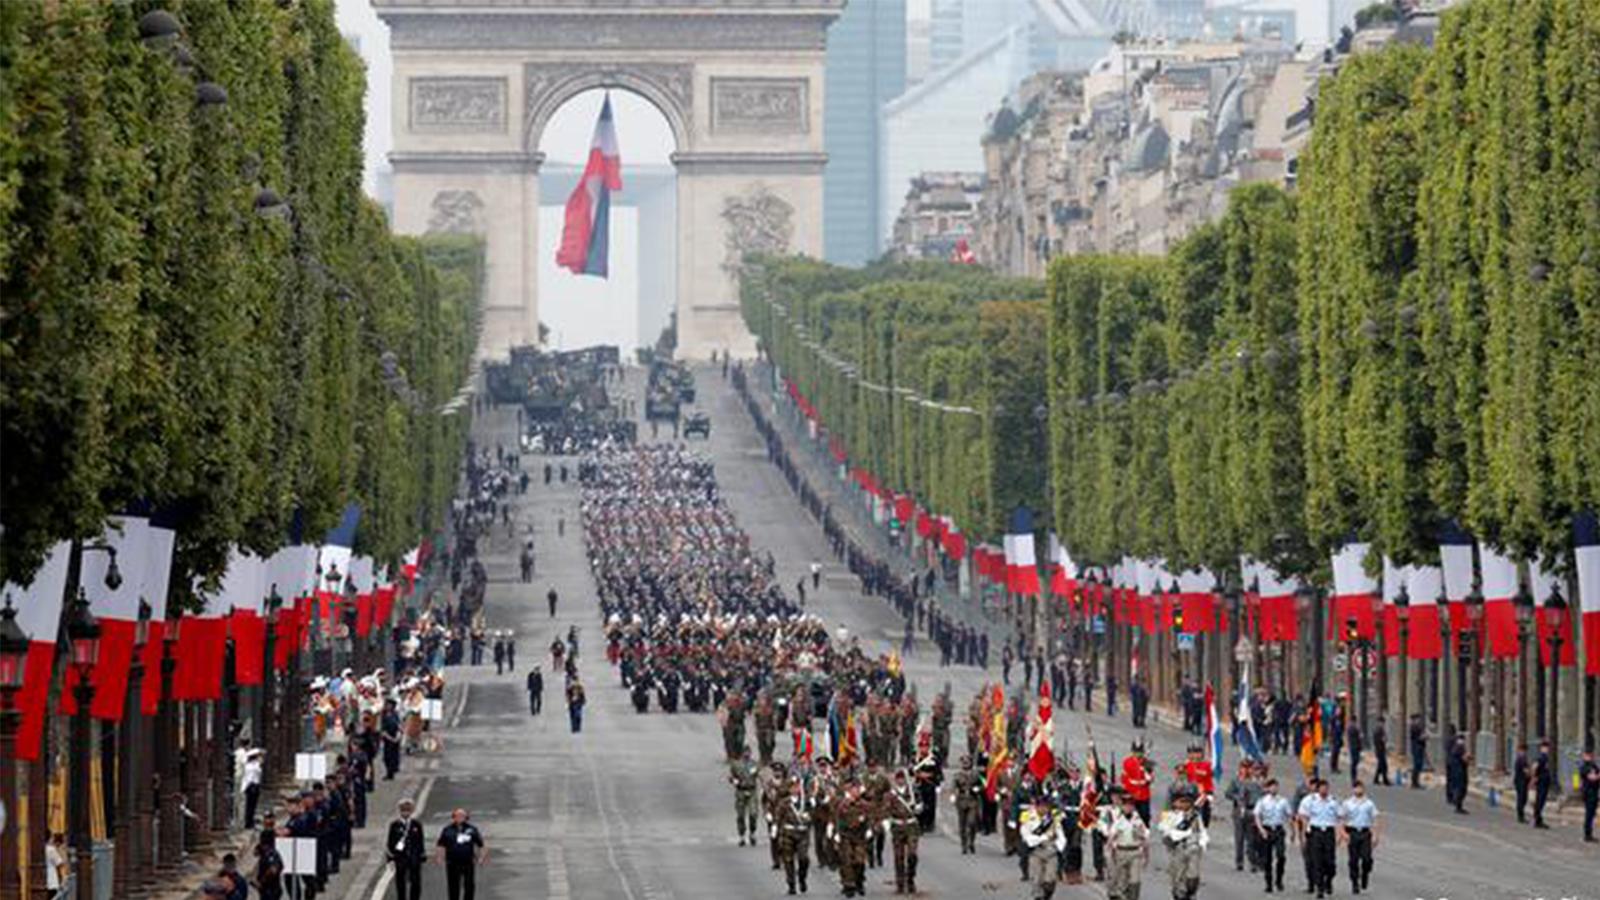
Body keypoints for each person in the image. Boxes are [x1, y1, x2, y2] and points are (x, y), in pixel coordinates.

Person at [1158, 786, 1208, 900]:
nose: (1185, 804)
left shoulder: (1195, 815)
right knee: (1178, 879)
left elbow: (1202, 830)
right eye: (1182, 801)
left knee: (1193, 877)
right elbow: (1164, 829)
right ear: (1175, 802)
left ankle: (1191, 892)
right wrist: (1181, 833)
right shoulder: (1169, 815)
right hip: (1177, 850)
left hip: (1193, 849)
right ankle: (1180, 895)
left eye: (1187, 801)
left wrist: (1202, 843)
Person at [1100, 790, 1149, 900]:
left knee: (1134, 882)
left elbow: (1145, 837)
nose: (1128, 807)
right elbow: (1110, 835)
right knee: (1119, 880)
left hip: (1135, 852)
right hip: (1119, 851)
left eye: (1130, 805)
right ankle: (1115, 894)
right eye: (1126, 805)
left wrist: (1146, 855)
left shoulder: (1137, 819)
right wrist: (1108, 851)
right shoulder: (1111, 814)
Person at [1296, 778, 1340, 899]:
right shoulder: (1310, 801)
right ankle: (1319, 888)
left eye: (1326, 788)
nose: (1324, 790)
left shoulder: (1333, 801)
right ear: (1318, 789)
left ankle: (1329, 880)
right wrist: (1304, 834)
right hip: (1315, 833)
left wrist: (1340, 834)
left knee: (1330, 862)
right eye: (1322, 787)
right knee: (1317, 861)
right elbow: (1303, 817)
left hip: (1329, 833)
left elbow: (1339, 817)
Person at [434, 808, 486, 900]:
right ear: (453, 817)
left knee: (469, 885)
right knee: (453, 885)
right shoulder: (447, 829)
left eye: (462, 816)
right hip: (452, 862)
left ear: (466, 817)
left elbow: (481, 845)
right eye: (457, 816)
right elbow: (440, 844)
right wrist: (439, 858)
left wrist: (481, 858)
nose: (460, 818)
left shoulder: (472, 829)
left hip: (467, 862)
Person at [1020, 796, 1065, 900]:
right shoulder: (1028, 817)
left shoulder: (1053, 819)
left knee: (1050, 880)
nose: (1044, 809)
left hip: (1051, 852)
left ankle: (1047, 895)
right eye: (1041, 806)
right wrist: (1043, 837)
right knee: (1036, 880)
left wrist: (1058, 847)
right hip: (1036, 852)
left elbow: (1061, 835)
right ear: (1036, 806)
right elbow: (1027, 837)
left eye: (1046, 806)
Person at [1253, 777, 1292, 894]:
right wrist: (1261, 830)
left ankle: (1279, 879)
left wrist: (1292, 831)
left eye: (1276, 786)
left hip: (1279, 831)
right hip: (1267, 830)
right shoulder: (1263, 801)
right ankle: (1268, 883)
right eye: (1272, 787)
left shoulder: (1283, 801)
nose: (1274, 789)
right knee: (1267, 859)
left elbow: (1289, 816)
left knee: (1281, 856)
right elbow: (1257, 816)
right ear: (1268, 788)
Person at [773, 779, 812, 895]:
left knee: (803, 858)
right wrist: (775, 827)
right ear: (789, 789)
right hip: (788, 833)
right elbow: (778, 815)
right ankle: (791, 884)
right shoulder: (784, 802)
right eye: (793, 787)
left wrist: (811, 811)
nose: (795, 789)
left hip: (802, 834)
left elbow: (813, 814)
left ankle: (802, 878)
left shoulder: (806, 802)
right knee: (788, 860)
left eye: (797, 787)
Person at [1339, 780, 1378, 895]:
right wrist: (1343, 833)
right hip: (1352, 832)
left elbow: (1375, 819)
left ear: (1363, 789)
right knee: (1353, 860)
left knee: (1367, 858)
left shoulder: (1369, 803)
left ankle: (1365, 873)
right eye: (1356, 788)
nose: (1358, 790)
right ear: (1353, 789)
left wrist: (1375, 835)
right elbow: (1342, 819)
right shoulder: (1347, 803)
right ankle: (1355, 883)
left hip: (1365, 833)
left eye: (1360, 788)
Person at [887, 770, 923, 895]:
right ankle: (900, 883)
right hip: (897, 826)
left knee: (912, 855)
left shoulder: (913, 792)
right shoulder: (891, 794)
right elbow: (886, 809)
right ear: (895, 780)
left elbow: (920, 805)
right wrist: (886, 821)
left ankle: (910, 879)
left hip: (911, 825)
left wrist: (918, 807)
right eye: (898, 778)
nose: (900, 780)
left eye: (902, 778)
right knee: (899, 856)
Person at [388, 798, 427, 900]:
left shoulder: (416, 824)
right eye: (403, 810)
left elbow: (420, 841)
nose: (405, 812)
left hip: (414, 857)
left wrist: (422, 854)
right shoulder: (394, 825)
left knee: (416, 882)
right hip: (400, 857)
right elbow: (390, 842)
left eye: (408, 810)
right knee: (400, 881)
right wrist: (391, 858)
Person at [729, 748, 761, 847]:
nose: (747, 754)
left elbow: (759, 776)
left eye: (749, 752)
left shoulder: (754, 764)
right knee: (741, 815)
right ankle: (742, 835)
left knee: (753, 813)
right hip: (741, 791)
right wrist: (734, 781)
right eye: (745, 752)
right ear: (742, 753)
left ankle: (752, 833)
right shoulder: (736, 765)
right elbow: (731, 776)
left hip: (752, 791)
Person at [951, 755, 982, 854]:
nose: (965, 764)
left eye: (967, 762)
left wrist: (978, 788)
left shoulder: (976, 774)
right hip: (961, 800)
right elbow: (953, 786)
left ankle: (971, 841)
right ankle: (964, 845)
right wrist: (953, 795)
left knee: (971, 822)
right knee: (962, 824)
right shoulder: (957, 775)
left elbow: (982, 784)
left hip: (973, 800)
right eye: (963, 762)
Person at [255, 828, 285, 900]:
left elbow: (273, 870)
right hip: (267, 890)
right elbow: (255, 853)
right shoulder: (266, 852)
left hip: (271, 890)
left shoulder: (271, 854)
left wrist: (262, 881)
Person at [1531, 739, 1554, 828]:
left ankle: (1538, 819)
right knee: (1540, 801)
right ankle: (1536, 819)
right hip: (1541, 782)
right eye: (1545, 747)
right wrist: (1534, 778)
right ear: (1541, 748)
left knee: (1541, 801)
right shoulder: (1541, 757)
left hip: (1544, 782)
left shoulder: (1545, 757)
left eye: (1547, 747)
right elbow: (1534, 767)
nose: (1547, 749)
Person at [1578, 747, 1599, 843]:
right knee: (1589, 814)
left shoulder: (1594, 766)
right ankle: (1587, 835)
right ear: (1584, 756)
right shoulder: (1584, 767)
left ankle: (1589, 833)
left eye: (1591, 755)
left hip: (1594, 792)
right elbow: (1592, 778)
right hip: (1588, 792)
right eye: (1587, 755)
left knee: (1592, 813)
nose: (1590, 757)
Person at [1445, 732, 1469, 814]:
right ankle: (1458, 805)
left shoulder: (1455, 746)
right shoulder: (1460, 747)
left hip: (1455, 769)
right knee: (1461, 787)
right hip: (1460, 770)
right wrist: (1468, 758)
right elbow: (1464, 758)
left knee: (1455, 785)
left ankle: (1455, 801)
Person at [1512, 743, 1532, 823]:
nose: (1524, 752)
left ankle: (1520, 815)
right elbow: (1525, 770)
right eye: (1523, 751)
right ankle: (1520, 816)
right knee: (1522, 798)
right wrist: (1531, 774)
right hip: (1521, 781)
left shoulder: (1521, 758)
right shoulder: (1521, 759)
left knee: (1522, 798)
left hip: (1521, 780)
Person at [1407, 714, 1427, 789]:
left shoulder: (1417, 727)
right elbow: (1418, 738)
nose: (1419, 721)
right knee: (1417, 764)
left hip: (1419, 747)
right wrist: (1424, 737)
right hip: (1417, 748)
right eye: (1418, 719)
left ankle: (1416, 781)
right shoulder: (1414, 727)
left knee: (1418, 765)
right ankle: (1414, 782)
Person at [1371, 721, 1389, 786]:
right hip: (1380, 750)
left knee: (1381, 765)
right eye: (1383, 723)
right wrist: (1385, 739)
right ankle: (1385, 780)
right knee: (1383, 765)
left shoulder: (1376, 730)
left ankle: (1377, 779)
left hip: (1379, 750)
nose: (1383, 724)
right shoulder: (1380, 730)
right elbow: (1382, 739)